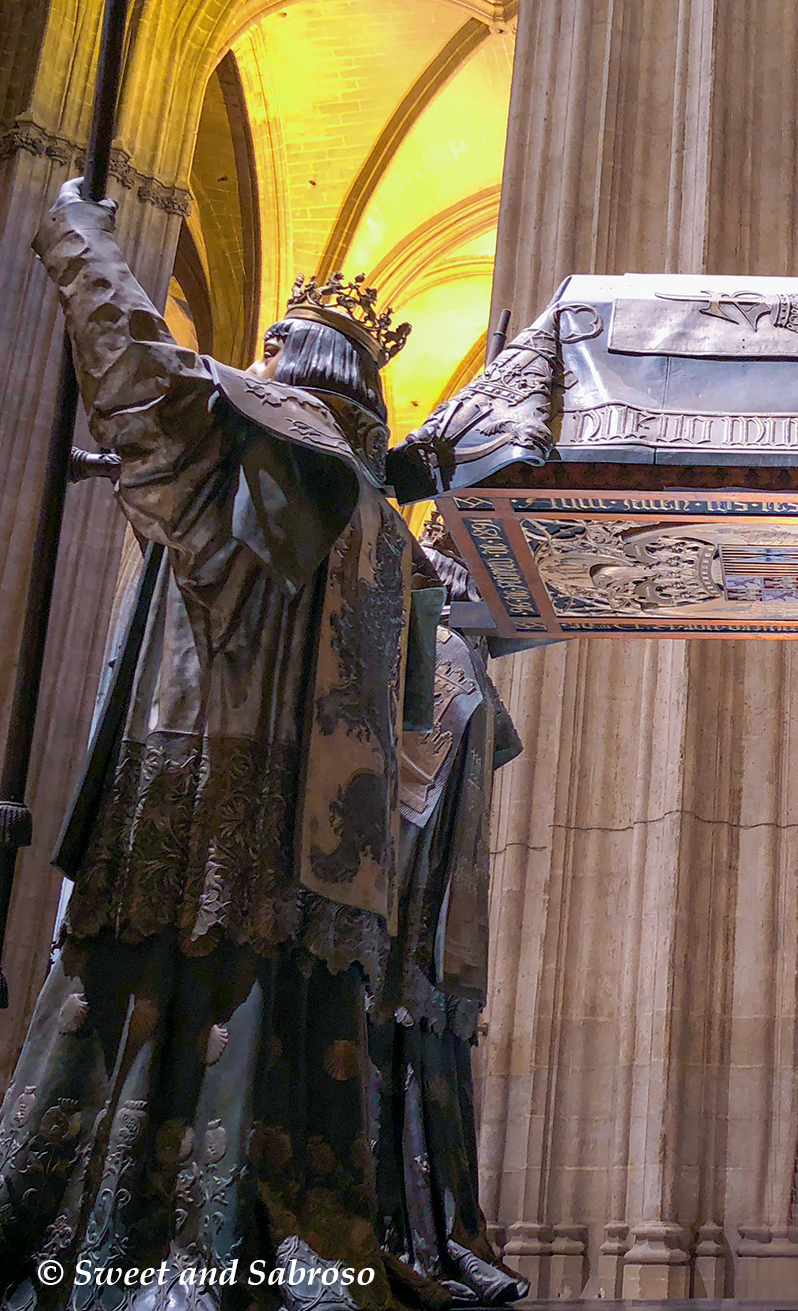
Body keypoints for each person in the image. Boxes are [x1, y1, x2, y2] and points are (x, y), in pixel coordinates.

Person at [1, 178, 421, 1309]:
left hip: (200, 795)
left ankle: (132, 1255)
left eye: (272, 343)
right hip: (319, 861)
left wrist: (77, 234)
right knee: (277, 1035)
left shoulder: (275, 445)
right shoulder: (383, 522)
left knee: (150, 1017)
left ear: (297, 368)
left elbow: (142, 372)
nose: (256, 356)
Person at [368, 531, 527, 1307]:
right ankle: (394, 1230)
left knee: (421, 1009)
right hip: (380, 900)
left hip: (424, 920)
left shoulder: (458, 658)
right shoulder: (421, 646)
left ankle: (431, 1232)